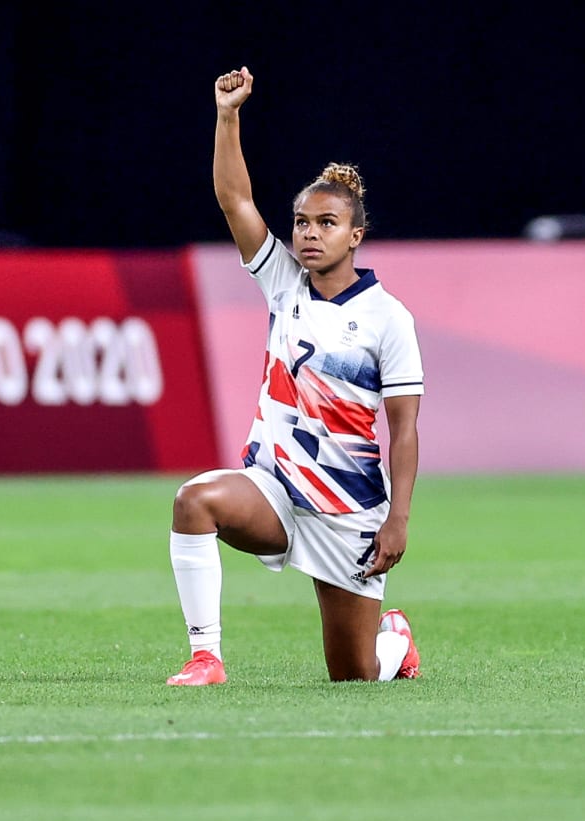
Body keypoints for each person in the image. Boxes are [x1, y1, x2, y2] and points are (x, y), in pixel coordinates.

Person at [166, 66, 424, 686]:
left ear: (355, 235)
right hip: (276, 489)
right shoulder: (284, 281)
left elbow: (405, 431)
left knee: (354, 676)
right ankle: (207, 657)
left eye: (326, 223)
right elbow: (235, 200)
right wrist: (228, 117)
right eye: (303, 222)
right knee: (195, 501)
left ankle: (395, 644)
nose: (309, 233)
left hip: (350, 511)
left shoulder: (389, 319)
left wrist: (398, 521)